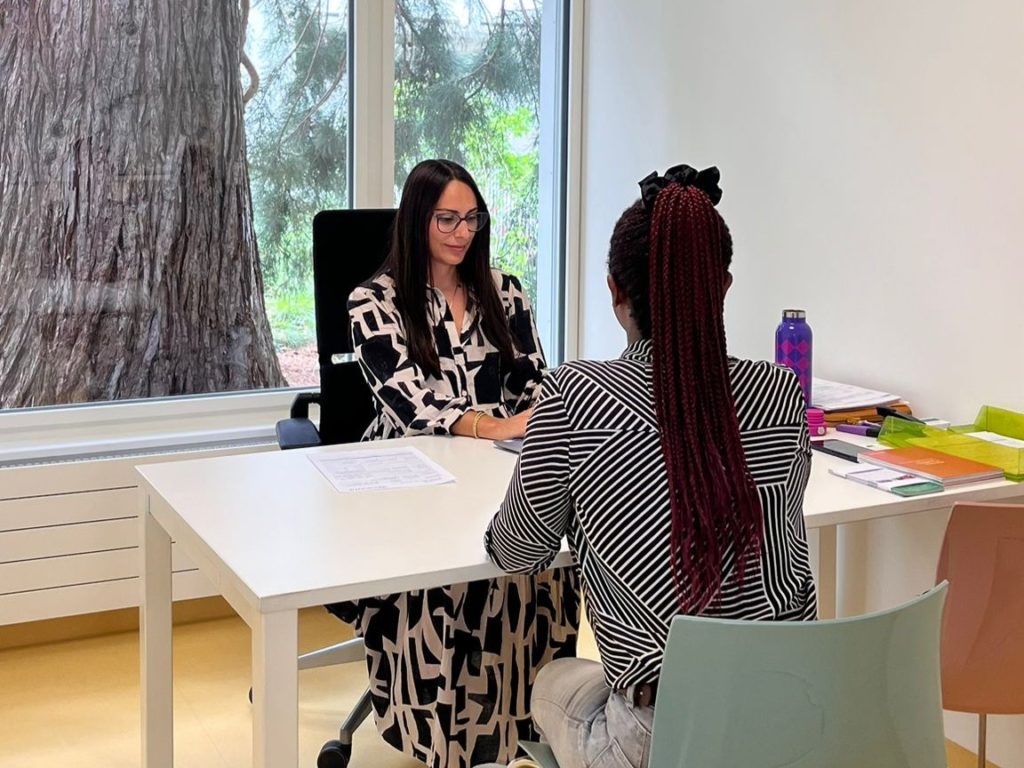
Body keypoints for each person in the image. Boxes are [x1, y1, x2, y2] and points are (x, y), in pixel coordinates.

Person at [483, 164, 817, 768]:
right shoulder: (780, 392)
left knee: (553, 679)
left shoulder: (573, 396)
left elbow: (518, 552)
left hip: (661, 737)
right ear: (723, 287)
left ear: (615, 290)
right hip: (784, 722)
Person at [345, 159, 580, 768]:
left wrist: (540, 421)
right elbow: (409, 404)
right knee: (452, 576)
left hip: (499, 465)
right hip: (413, 474)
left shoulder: (505, 291)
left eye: (472, 218)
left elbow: (533, 383)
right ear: (417, 220)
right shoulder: (374, 302)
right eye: (446, 219)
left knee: (542, 555)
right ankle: (444, 739)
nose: (462, 232)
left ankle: (526, 726)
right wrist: (490, 425)